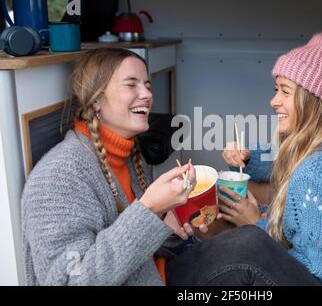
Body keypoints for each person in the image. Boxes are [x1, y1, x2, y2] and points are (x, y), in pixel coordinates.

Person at [168, 33, 322, 286]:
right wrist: (247, 158)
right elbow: (280, 168)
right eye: (275, 89)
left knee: (243, 246)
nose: (273, 100)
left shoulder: (317, 174)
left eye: (285, 92)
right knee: (226, 229)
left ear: (314, 100)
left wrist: (256, 225)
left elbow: (320, 277)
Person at [21, 48, 200, 286]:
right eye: (131, 85)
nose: (146, 94)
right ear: (96, 101)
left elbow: (131, 250)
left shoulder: (127, 153)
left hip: (159, 274)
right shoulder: (58, 177)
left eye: (147, 84)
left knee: (246, 242)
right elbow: (68, 281)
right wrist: (149, 209)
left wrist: (166, 228)